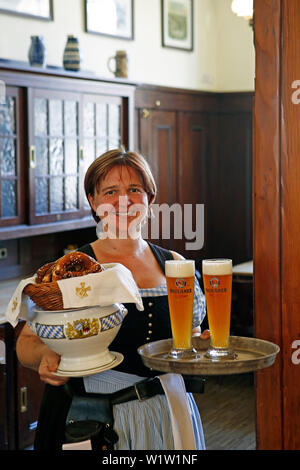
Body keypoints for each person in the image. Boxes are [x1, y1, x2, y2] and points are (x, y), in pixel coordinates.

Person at [16, 149, 209, 450]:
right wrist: (44, 355)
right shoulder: (71, 269)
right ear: (93, 201)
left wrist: (201, 345)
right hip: (92, 417)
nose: (124, 201)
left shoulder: (175, 264)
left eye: (135, 189)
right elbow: (25, 342)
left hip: (167, 411)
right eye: (110, 191)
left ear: (149, 198)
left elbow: (191, 335)